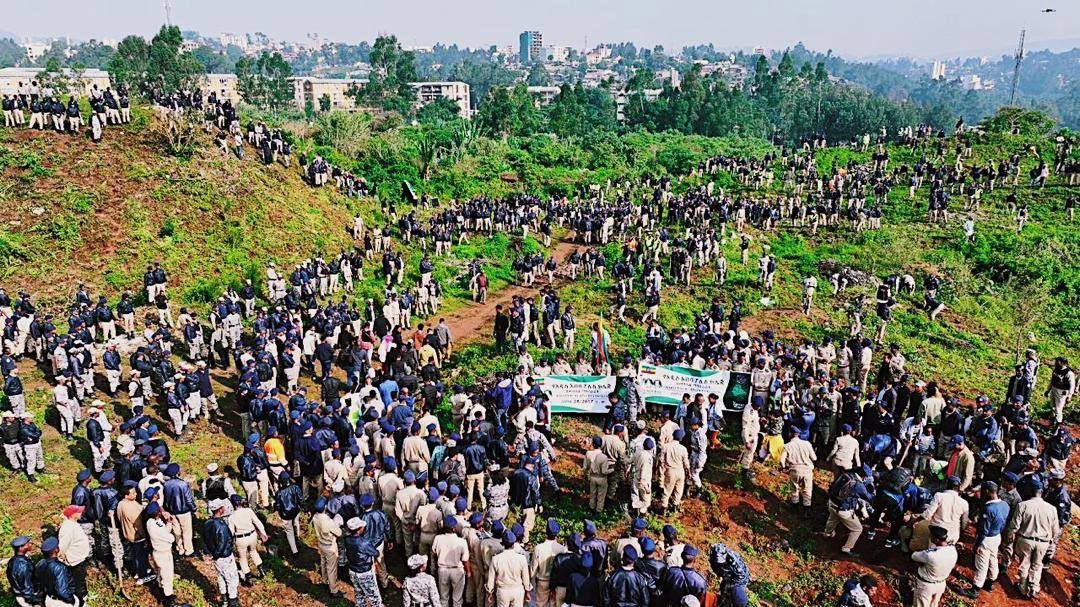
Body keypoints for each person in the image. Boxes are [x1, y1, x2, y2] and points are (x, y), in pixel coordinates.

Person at [1006, 478, 1061, 599]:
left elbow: (1014, 526)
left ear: (1030, 491)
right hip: (1043, 542)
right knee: (1037, 564)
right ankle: (1034, 588)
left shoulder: (1022, 505)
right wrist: (1050, 540)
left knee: (1025, 563)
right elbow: (1056, 530)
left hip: (1025, 540)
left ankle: (1023, 588)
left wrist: (1010, 537)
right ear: (1041, 492)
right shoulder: (1052, 509)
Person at [961, 481, 1009, 599]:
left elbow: (983, 530)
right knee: (993, 559)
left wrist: (977, 544)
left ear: (987, 491)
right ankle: (991, 582)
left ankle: (975, 589)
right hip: (997, 536)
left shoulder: (989, 509)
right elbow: (1004, 523)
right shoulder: (1005, 505)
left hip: (986, 539)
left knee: (981, 564)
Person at [204, 499, 241, 607]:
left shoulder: (207, 523)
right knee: (232, 579)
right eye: (223, 507)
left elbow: (206, 540)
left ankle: (224, 601)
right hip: (224, 556)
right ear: (220, 510)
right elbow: (223, 542)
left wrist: (211, 554)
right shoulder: (221, 526)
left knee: (221, 577)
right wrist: (216, 554)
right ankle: (233, 603)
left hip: (216, 558)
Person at [910, 525, 957, 607]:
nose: (929, 536)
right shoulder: (953, 550)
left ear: (936, 539)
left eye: (931, 535)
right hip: (941, 584)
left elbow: (914, 556)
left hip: (926, 586)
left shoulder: (930, 555)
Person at [227, 494, 267, 585]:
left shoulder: (231, 517)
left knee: (242, 558)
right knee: (253, 552)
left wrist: (230, 543)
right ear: (241, 502)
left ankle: (249, 579)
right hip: (252, 536)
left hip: (241, 539)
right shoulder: (248, 511)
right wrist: (263, 533)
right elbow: (257, 522)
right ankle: (262, 571)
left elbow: (231, 532)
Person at [431, 516, 469, 607]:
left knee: (443, 597)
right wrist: (469, 572)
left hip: (443, 570)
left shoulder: (438, 538)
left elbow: (434, 554)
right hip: (457, 570)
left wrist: (435, 567)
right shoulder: (461, 541)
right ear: (454, 528)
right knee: (457, 598)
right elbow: (465, 559)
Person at [486, 531, 531, 607]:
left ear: (502, 544)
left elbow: (491, 579)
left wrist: (490, 593)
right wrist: (527, 592)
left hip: (503, 591)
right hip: (518, 591)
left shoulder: (496, 559)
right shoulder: (521, 558)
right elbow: (526, 578)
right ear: (514, 544)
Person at [145, 501, 178, 606]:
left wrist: (168, 522)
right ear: (157, 513)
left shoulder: (151, 521)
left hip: (158, 552)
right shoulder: (155, 528)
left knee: (160, 573)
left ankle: (160, 591)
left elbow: (164, 529)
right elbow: (171, 538)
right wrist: (170, 530)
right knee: (167, 576)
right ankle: (168, 599)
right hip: (163, 553)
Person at [344, 517, 382, 607]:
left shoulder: (347, 539)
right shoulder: (364, 543)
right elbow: (376, 553)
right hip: (364, 573)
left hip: (352, 571)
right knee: (374, 597)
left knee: (359, 595)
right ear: (358, 530)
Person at [57, 505, 91, 604]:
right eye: (79, 512)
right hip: (75, 561)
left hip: (79, 558)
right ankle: (80, 601)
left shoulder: (73, 523)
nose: (81, 513)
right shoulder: (67, 528)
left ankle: (83, 596)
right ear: (73, 515)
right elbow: (62, 546)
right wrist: (63, 558)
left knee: (81, 579)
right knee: (78, 582)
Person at [780, 428, 817, 516]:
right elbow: (814, 458)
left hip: (794, 470)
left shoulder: (787, 446)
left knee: (794, 489)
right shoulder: (807, 444)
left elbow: (782, 460)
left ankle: (794, 508)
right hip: (807, 470)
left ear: (790, 433)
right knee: (807, 490)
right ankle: (806, 511)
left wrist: (784, 467)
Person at [35, 537, 79, 607]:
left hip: (48, 599)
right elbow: (62, 591)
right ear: (56, 550)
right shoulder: (60, 568)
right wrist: (72, 601)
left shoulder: (40, 563)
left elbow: (37, 583)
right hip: (61, 602)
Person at [312, 497, 343, 596]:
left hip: (321, 544)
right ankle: (334, 590)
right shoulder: (328, 521)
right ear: (325, 507)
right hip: (330, 546)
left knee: (323, 563)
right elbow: (339, 533)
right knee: (331, 568)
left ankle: (325, 581)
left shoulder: (315, 517)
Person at [708, 542, 751, 607]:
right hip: (727, 575)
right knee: (723, 588)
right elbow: (715, 567)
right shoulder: (714, 556)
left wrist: (730, 586)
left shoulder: (733, 560)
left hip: (738, 580)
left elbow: (741, 577)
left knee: (735, 595)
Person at [7, 536, 42, 607]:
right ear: (20, 548)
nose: (31, 544)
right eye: (28, 543)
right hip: (27, 598)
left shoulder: (15, 560)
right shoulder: (21, 565)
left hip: (24, 595)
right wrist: (35, 601)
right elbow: (25, 586)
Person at [583, 436, 613, 513]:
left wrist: (586, 476)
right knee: (601, 496)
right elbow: (604, 471)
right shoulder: (604, 457)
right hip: (602, 478)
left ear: (593, 444)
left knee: (592, 494)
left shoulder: (588, 453)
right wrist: (612, 470)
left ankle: (591, 508)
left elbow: (585, 467)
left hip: (592, 477)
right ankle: (598, 510)